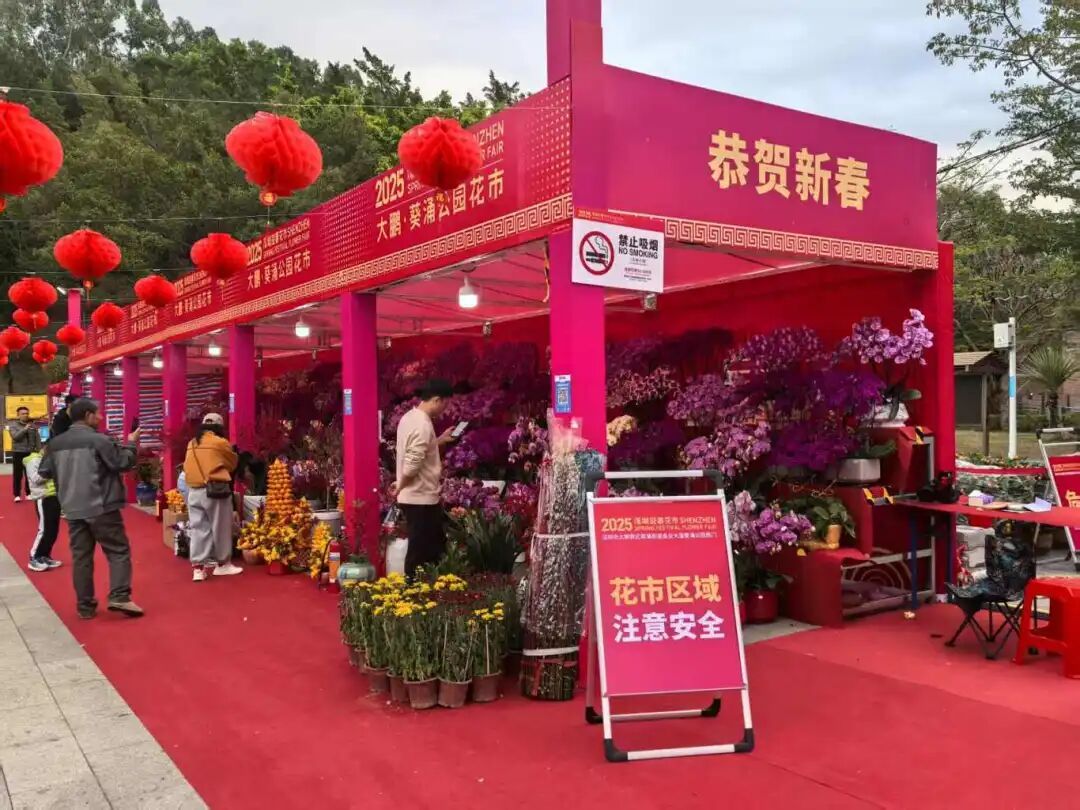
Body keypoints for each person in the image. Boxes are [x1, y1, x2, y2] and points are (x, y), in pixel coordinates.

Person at [38, 398, 144, 619]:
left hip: (72, 507)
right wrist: (132, 443)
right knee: (118, 550)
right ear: (88, 415)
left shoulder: (55, 443)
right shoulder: (99, 440)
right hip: (102, 505)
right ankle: (120, 596)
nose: (101, 417)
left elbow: (44, 472)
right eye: (98, 413)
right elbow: (122, 463)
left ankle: (84, 606)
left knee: (81, 557)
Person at [392, 378, 457, 577]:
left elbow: (419, 449)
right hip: (420, 498)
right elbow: (413, 463)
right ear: (437, 400)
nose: (444, 409)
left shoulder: (409, 417)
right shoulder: (422, 424)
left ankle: (432, 586)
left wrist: (439, 440)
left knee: (435, 548)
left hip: (420, 497)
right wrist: (400, 485)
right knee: (420, 552)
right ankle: (412, 588)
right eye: (445, 404)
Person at [182, 413, 241, 582]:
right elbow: (232, 464)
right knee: (221, 527)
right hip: (215, 490)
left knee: (198, 528)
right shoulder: (220, 443)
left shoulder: (192, 443)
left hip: (193, 491)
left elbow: (186, 466)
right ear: (219, 426)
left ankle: (198, 569)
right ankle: (222, 564)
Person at [24, 447, 62, 572]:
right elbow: (35, 479)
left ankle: (44, 556)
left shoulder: (50, 459)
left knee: (53, 530)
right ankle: (34, 557)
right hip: (43, 497)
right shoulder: (33, 460)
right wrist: (51, 471)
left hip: (54, 496)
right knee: (44, 529)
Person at [8, 406, 43, 502]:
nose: (25, 415)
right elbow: (15, 437)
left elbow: (37, 438)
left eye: (27, 413)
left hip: (31, 453)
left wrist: (39, 449)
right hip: (18, 452)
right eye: (23, 413)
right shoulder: (13, 425)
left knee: (30, 474)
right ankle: (17, 495)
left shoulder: (33, 425)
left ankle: (29, 493)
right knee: (18, 474)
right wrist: (25, 429)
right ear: (18, 415)